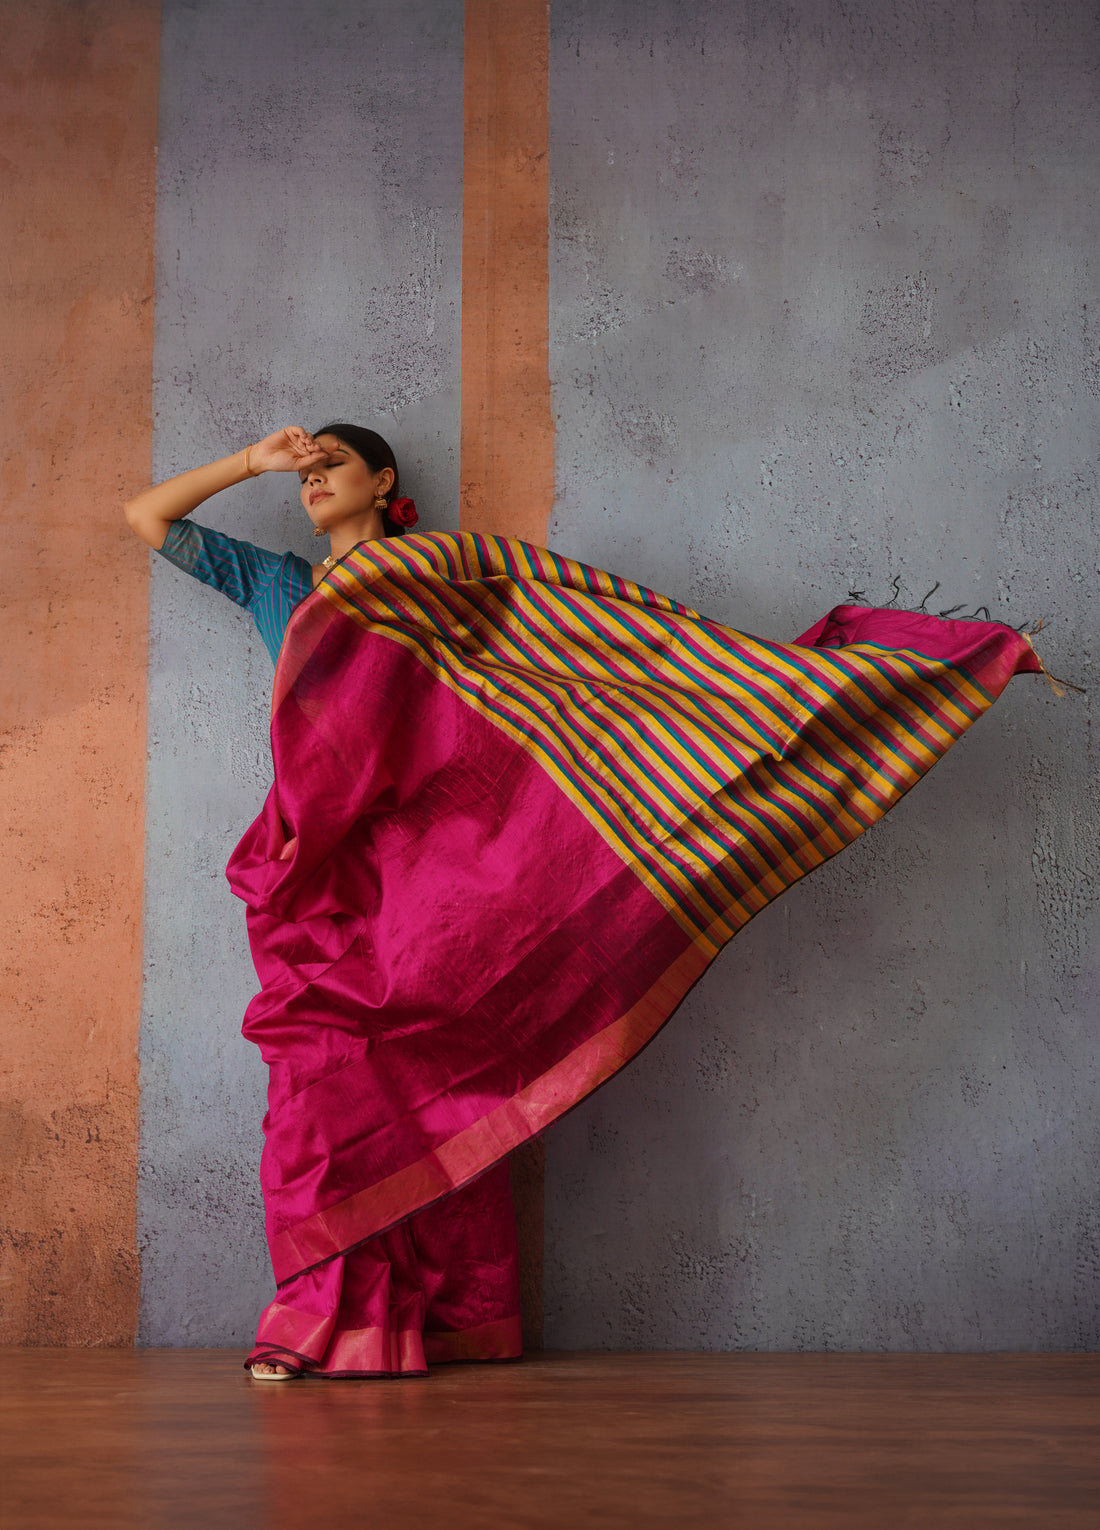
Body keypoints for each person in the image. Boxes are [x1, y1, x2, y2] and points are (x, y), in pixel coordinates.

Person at [125, 421, 1042, 1381]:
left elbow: (570, 679)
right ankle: (328, 1317)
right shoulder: (285, 588)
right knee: (319, 1088)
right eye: (303, 474)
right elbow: (146, 519)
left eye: (331, 466)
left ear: (382, 479)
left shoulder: (449, 588)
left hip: (444, 874)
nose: (311, 483)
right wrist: (249, 465)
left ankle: (413, 1324)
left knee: (444, 1083)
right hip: (324, 872)